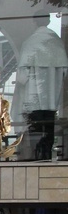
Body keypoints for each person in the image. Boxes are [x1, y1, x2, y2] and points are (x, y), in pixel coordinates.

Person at [10, 11, 68, 160]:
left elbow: (23, 75)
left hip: (34, 96)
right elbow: (64, 71)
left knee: (35, 130)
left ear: (34, 21)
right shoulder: (56, 42)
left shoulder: (31, 42)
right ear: (48, 20)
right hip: (52, 97)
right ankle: (47, 154)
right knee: (49, 126)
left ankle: (37, 156)